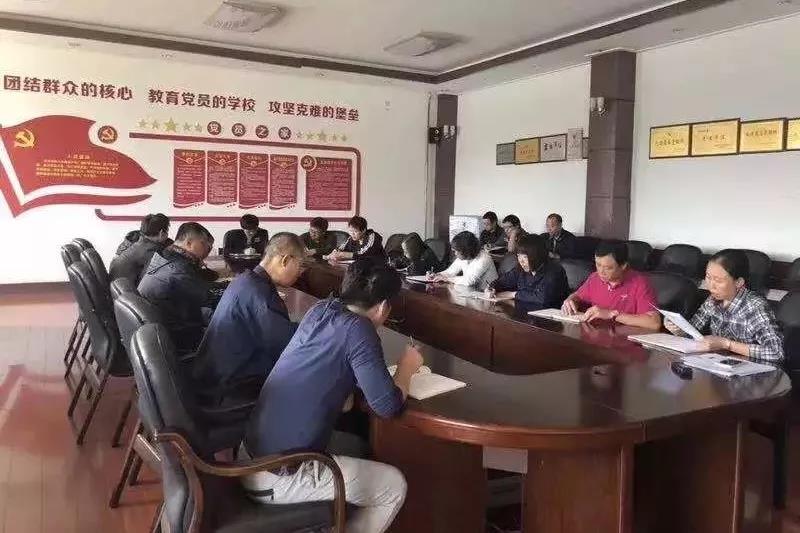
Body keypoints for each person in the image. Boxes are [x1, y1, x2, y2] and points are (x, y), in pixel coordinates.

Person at [242, 260, 421, 533]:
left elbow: (340, 392)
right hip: (278, 475)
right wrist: (407, 367)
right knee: (393, 485)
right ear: (384, 306)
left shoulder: (321, 309)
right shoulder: (360, 329)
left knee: (356, 442)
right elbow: (387, 406)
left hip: (250, 457)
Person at [192, 234, 305, 401]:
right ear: (285, 260)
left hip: (217, 375)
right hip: (232, 387)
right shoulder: (260, 294)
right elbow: (287, 344)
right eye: (301, 265)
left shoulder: (247, 279)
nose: (301, 273)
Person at [665, 249, 783, 363]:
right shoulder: (713, 299)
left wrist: (727, 344)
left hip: (750, 371)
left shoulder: (755, 306)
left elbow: (776, 352)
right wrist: (679, 330)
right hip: (717, 365)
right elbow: (693, 334)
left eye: (718, 280)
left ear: (739, 282)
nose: (711, 286)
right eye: (708, 277)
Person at [138, 222, 218, 353]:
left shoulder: (164, 255)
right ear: (189, 243)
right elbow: (208, 299)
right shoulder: (180, 270)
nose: (207, 250)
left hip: (159, 329)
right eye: (204, 244)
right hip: (176, 338)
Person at [561, 241, 661, 330]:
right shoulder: (595, 278)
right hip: (596, 335)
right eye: (598, 265)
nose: (601, 272)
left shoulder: (640, 283)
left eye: (608, 268)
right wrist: (570, 300)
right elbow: (578, 296)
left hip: (623, 340)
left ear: (623, 266)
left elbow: (654, 323)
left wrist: (611, 314)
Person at [486, 233, 569, 307]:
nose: (521, 261)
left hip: (549, 316)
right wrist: (491, 288)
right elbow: (502, 281)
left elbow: (542, 298)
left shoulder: (555, 271)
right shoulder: (520, 269)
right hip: (523, 312)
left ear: (537, 256)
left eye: (525, 257)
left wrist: (513, 294)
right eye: (519, 256)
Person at [109, 213, 170, 284]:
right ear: (161, 233)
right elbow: (150, 282)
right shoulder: (151, 253)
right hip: (129, 288)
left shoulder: (135, 243)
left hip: (116, 287)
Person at [432, 231, 498, 290]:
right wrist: (436, 275)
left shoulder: (484, 258)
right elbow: (450, 272)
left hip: (487, 294)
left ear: (466, 250)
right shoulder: (463, 257)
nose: (455, 254)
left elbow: (469, 281)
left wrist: (447, 279)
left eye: (457, 251)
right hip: (472, 293)